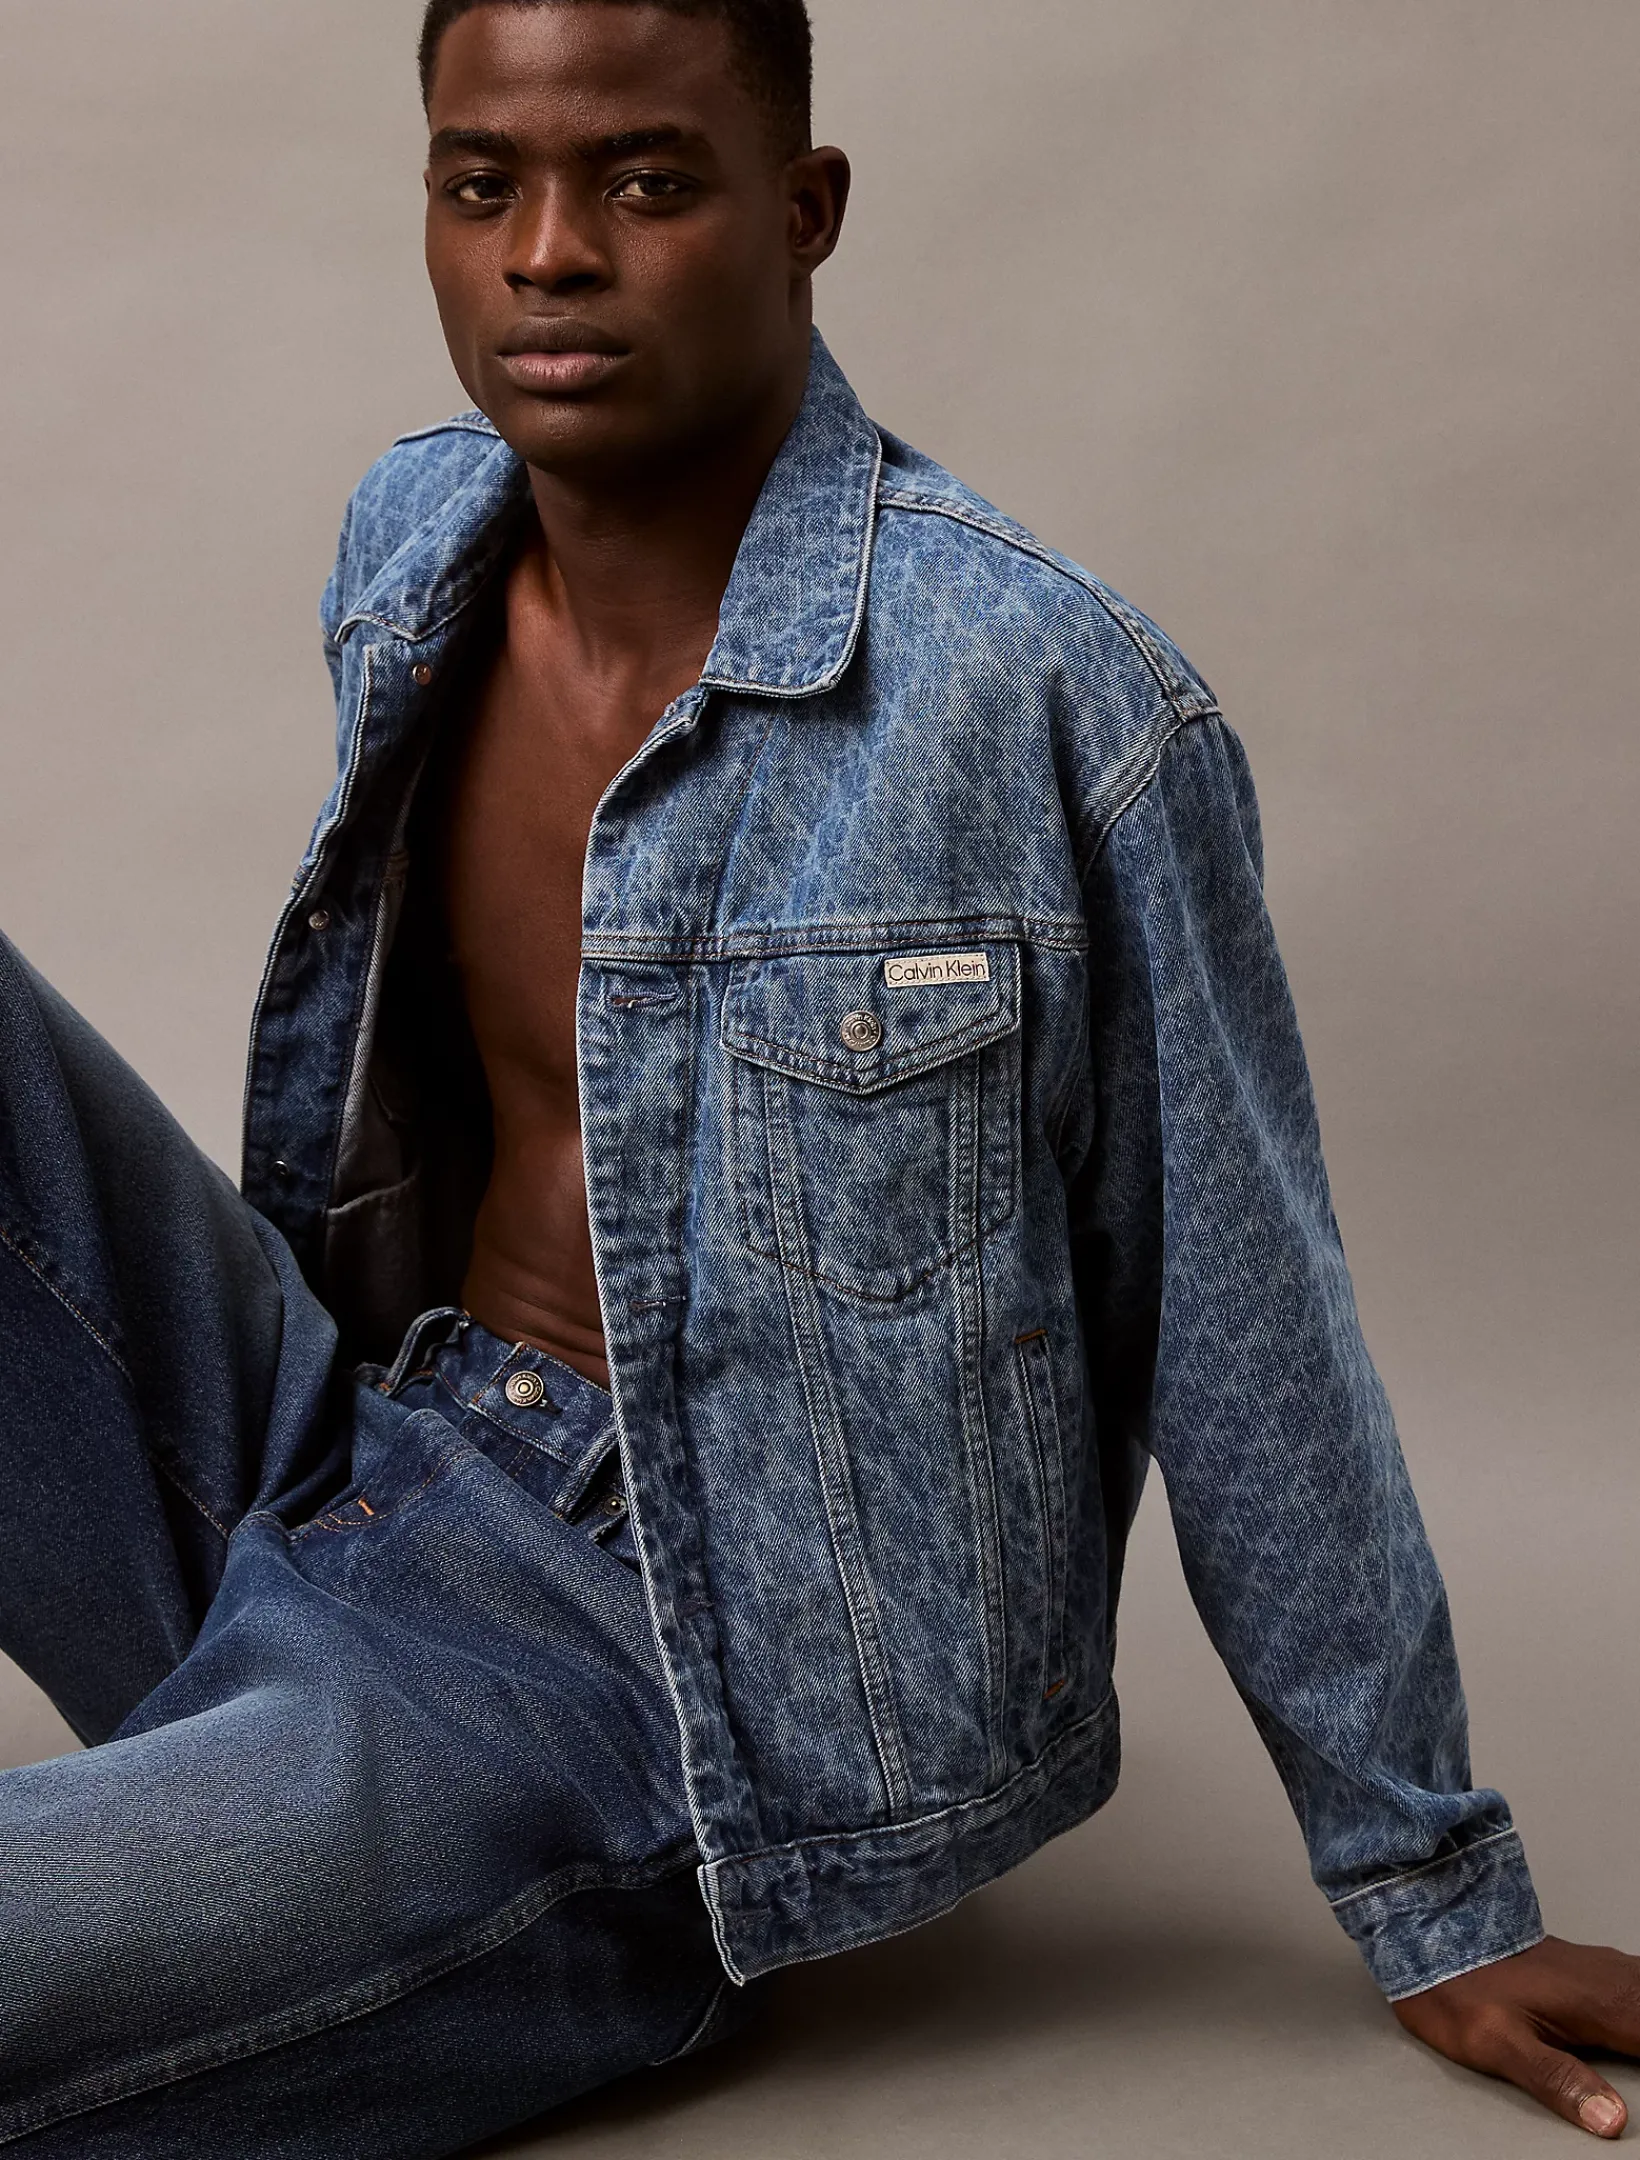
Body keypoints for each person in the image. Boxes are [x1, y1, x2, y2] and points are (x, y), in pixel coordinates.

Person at [0, 0, 1633, 2150]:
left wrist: (1432, 1887)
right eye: (483, 184)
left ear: (803, 210)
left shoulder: (1038, 693)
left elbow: (1243, 1312)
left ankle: (306, 1827)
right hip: (344, 1451)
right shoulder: (413, 541)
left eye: (645, 183)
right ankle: (249, 1760)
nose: (546, 253)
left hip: (627, 1691)